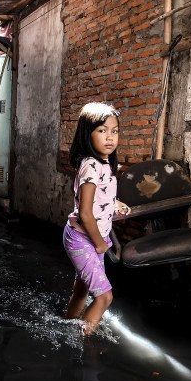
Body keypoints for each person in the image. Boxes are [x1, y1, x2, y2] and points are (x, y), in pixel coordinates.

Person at [63, 102, 130, 335]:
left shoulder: (105, 163)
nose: (110, 137)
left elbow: (101, 198)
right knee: (104, 297)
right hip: (85, 239)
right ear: (87, 133)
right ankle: (81, 344)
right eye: (102, 131)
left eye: (115, 131)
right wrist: (101, 244)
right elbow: (85, 213)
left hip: (91, 238)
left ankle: (66, 328)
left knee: (81, 291)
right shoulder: (91, 165)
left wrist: (115, 204)